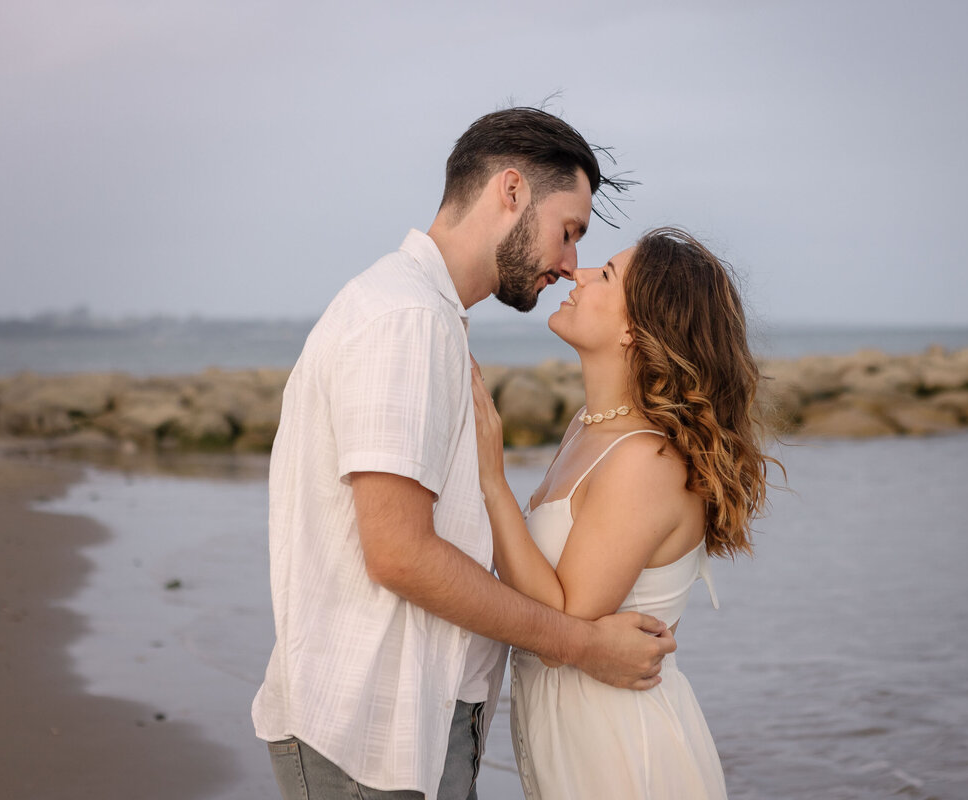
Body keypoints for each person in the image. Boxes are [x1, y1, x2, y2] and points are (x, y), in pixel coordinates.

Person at [251, 108, 676, 800]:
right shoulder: (407, 319)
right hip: (374, 736)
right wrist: (586, 646)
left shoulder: (425, 315)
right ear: (510, 191)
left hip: (410, 723)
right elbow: (399, 552)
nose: (570, 264)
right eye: (568, 231)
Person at [470, 227, 780, 799]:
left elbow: (561, 622)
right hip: (574, 739)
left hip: (624, 752)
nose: (576, 274)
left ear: (635, 329)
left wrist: (491, 480)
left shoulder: (645, 459)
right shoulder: (587, 429)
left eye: (605, 275)